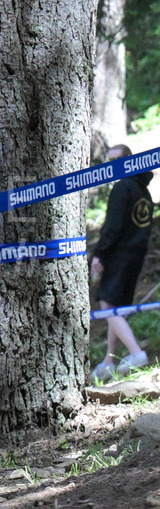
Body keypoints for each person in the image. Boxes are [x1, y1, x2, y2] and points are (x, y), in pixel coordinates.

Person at [90, 144, 155, 382]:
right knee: (118, 307)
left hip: (119, 254)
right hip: (136, 254)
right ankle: (109, 361)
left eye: (117, 160)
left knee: (107, 304)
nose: (112, 166)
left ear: (129, 160)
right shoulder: (142, 190)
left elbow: (113, 226)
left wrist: (100, 254)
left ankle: (136, 353)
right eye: (109, 161)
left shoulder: (122, 188)